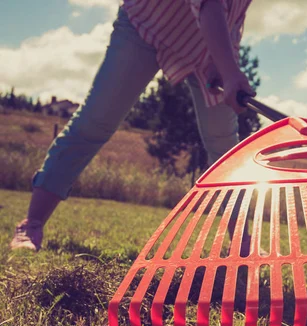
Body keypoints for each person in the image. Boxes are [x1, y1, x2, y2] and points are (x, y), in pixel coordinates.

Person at [10, 0, 256, 251]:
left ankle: (243, 243)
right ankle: (32, 224)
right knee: (96, 121)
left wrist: (223, 64)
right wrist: (230, 71)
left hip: (206, 44)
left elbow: (233, 15)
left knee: (224, 146)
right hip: (150, 19)